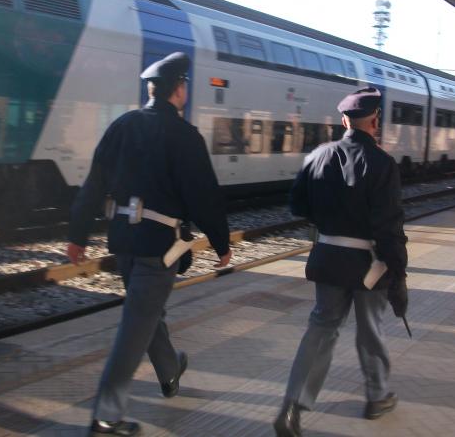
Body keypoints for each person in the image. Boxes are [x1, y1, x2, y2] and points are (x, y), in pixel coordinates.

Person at [67, 52, 233, 436]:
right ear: (180, 90)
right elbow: (204, 197)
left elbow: (94, 182)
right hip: (159, 246)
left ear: (151, 90)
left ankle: (170, 368)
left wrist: (77, 234)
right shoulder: (184, 136)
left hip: (123, 240)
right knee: (134, 326)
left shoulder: (122, 125)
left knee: (145, 313)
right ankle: (106, 417)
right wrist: (221, 243)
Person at [274, 87, 409, 437]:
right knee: (370, 330)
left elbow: (298, 207)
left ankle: (292, 407)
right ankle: (377, 397)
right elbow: (389, 226)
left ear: (344, 120)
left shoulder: (318, 156)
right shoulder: (383, 164)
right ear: (375, 121)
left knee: (320, 329)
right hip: (368, 263)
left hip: (329, 257)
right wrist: (399, 274)